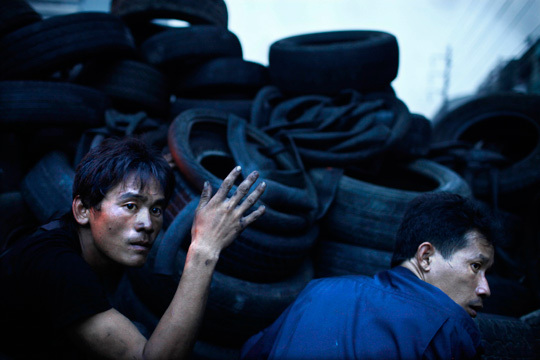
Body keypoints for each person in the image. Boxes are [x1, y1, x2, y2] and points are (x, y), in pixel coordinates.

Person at [0, 137, 266, 359]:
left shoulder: (81, 234)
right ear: (82, 210)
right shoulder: (57, 263)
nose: (148, 223)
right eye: (130, 206)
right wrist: (204, 249)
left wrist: (148, 173)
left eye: (156, 209)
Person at [241, 192, 495, 360]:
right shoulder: (448, 329)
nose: (485, 289)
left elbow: (253, 352)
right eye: (475, 266)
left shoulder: (317, 291)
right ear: (426, 257)